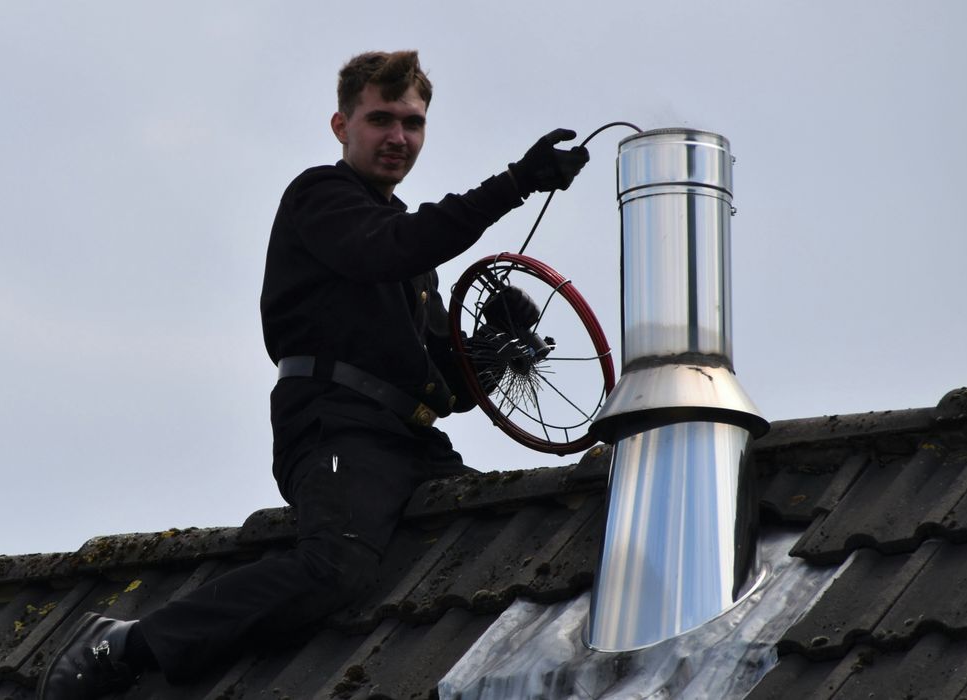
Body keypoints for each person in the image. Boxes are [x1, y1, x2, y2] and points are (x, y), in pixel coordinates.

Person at [38, 49, 588, 699]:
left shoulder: (414, 260)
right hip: (336, 427)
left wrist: (496, 344)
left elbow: (453, 389)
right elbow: (395, 245)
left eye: (411, 124)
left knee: (490, 530)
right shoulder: (320, 198)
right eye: (380, 119)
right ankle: (128, 644)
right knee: (337, 567)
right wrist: (514, 182)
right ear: (341, 126)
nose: (397, 138)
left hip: (409, 441)